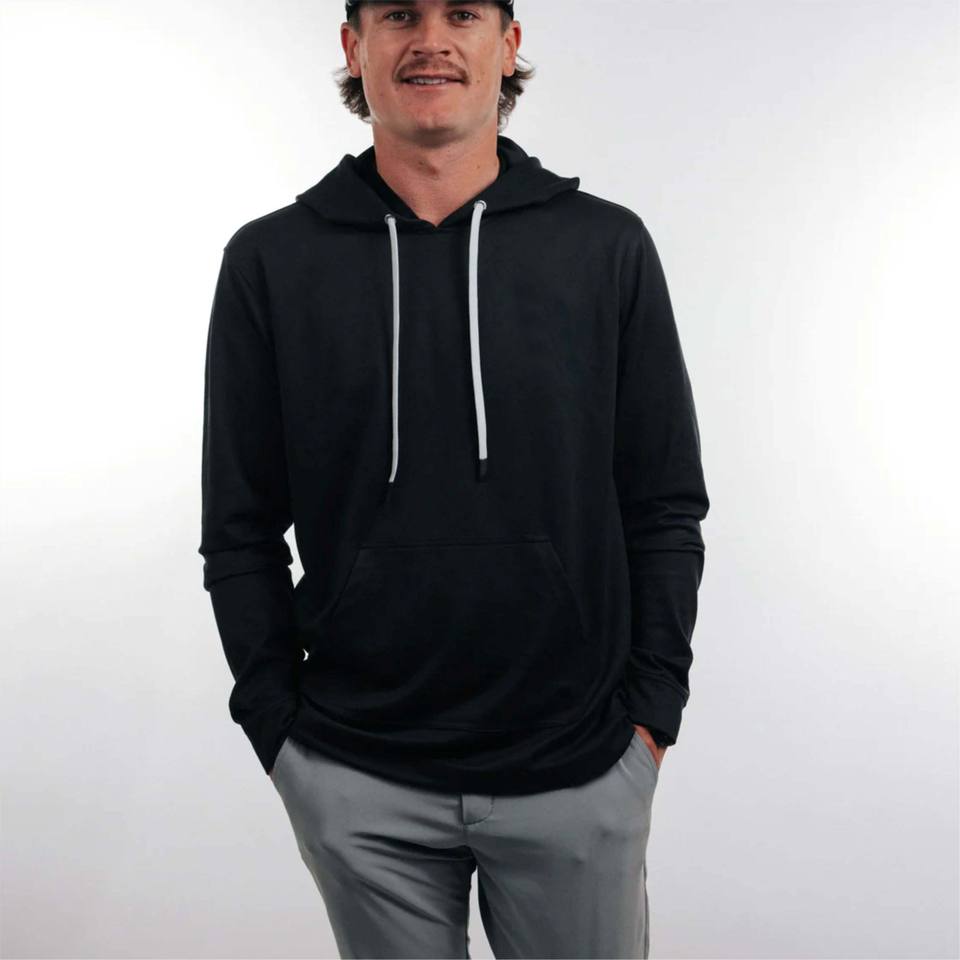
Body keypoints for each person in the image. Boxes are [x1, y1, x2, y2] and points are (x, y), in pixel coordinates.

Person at [198, 1, 709, 956]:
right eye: (400, 14)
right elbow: (239, 527)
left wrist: (651, 718)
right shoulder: (271, 261)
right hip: (356, 771)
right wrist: (277, 728)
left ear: (507, 46)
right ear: (354, 46)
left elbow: (664, 504)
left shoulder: (604, 247)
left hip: (580, 765)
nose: (430, 39)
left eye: (461, 13)